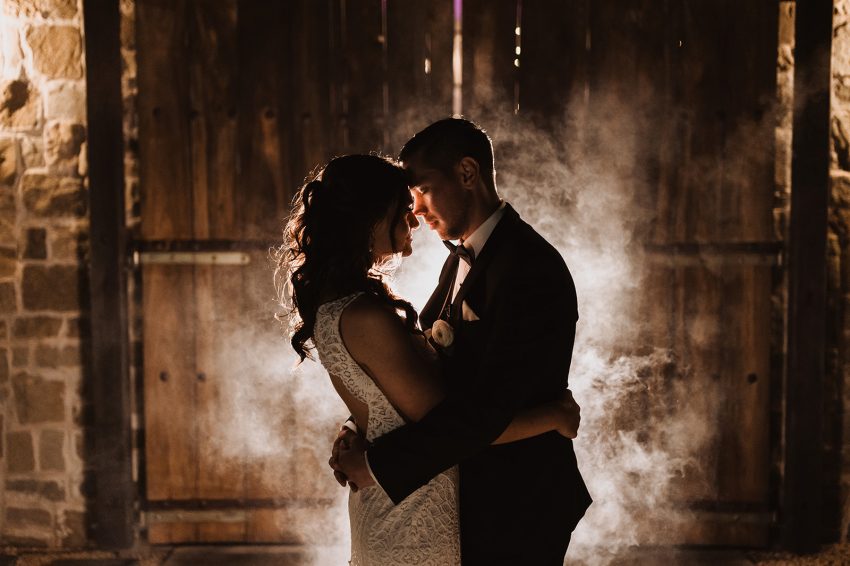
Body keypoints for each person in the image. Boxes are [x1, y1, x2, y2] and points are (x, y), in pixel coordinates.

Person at [279, 153, 581, 565]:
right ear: (369, 219)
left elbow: (382, 394)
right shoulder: (366, 315)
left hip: (446, 504)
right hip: (412, 517)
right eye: (404, 210)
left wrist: (359, 426)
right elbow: (449, 421)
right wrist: (554, 416)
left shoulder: (341, 305)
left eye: (419, 196)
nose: (416, 217)